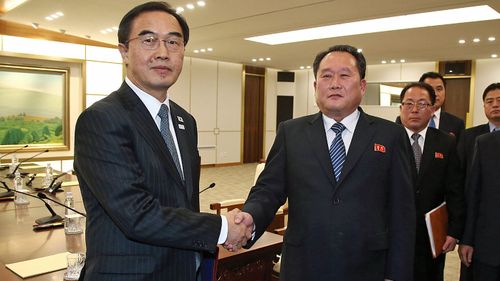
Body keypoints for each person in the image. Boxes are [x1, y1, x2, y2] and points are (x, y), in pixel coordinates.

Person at [74, 2, 251, 280]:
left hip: (184, 269)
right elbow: (136, 215)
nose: (162, 52)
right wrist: (222, 227)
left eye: (173, 42)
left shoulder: (184, 121)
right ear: (124, 52)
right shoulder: (101, 119)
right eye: (148, 41)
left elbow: (182, 203)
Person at [234, 45, 416, 281]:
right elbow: (269, 190)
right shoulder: (291, 132)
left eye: (345, 75)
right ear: (315, 86)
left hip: (368, 266)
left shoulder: (390, 135)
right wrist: (251, 216)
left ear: (362, 85)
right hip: (304, 264)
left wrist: (398, 273)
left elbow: (402, 211)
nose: (335, 83)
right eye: (326, 76)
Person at [398, 82, 464, 281]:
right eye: (408, 104)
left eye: (422, 104)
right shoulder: (387, 139)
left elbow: (455, 189)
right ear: (400, 108)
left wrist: (454, 231)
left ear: (433, 109)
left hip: (433, 234)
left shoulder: (446, 142)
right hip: (395, 231)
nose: (415, 109)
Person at [457, 82, 500, 281]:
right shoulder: (484, 142)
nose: (495, 105)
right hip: (490, 243)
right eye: (490, 101)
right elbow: (472, 194)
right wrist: (467, 239)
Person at [396, 72, 465, 139]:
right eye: (429, 89)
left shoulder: (457, 123)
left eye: (439, 89)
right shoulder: (403, 119)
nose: (435, 94)